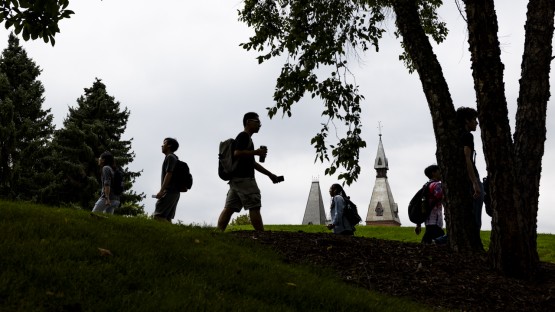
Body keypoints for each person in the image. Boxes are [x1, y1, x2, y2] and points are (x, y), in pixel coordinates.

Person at [217, 112, 282, 233]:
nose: (260, 125)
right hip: (245, 180)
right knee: (254, 205)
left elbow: (252, 163)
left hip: (236, 181)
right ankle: (261, 234)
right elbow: (237, 153)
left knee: (229, 208)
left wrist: (270, 175)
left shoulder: (248, 140)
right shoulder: (243, 136)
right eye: (257, 122)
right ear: (248, 122)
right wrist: (256, 152)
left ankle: (218, 232)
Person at [456, 107, 484, 230]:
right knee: (475, 216)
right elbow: (467, 158)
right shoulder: (467, 136)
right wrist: (475, 182)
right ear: (467, 121)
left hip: (460, 178)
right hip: (470, 177)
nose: (477, 123)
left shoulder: (456, 135)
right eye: (474, 119)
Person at [415, 165, 445, 244]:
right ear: (433, 173)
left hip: (428, 219)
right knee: (440, 240)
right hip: (435, 219)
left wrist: (418, 223)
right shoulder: (436, 185)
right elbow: (442, 197)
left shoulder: (426, 185)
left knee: (428, 241)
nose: (441, 173)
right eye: (439, 171)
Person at [154, 137, 181, 222]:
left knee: (158, 216)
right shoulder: (174, 157)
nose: (162, 145)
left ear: (169, 145)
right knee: (167, 218)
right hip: (174, 192)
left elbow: (169, 173)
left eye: (164, 143)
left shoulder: (170, 157)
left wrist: (162, 191)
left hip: (169, 191)